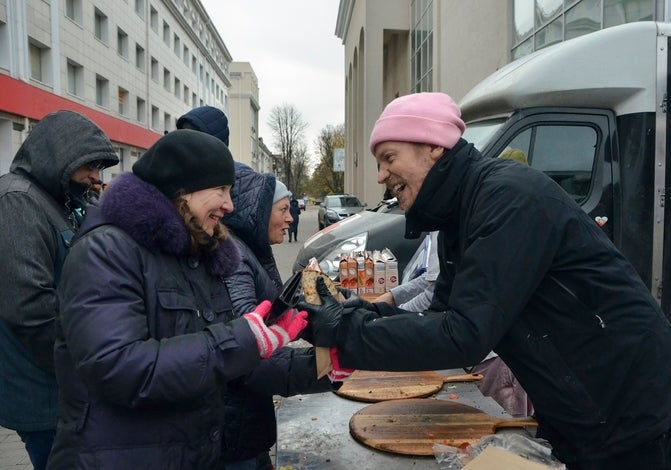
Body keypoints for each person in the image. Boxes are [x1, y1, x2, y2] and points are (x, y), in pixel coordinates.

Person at [298, 92, 671, 469]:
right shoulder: (460, 216)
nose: (380, 175)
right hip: (579, 406)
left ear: (434, 148)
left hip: (629, 406)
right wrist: (368, 312)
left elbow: (464, 334)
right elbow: (440, 315)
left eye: (389, 158)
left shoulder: (507, 198)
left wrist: (348, 331)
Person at [46, 130, 308, 469]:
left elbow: (226, 359)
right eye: (221, 191)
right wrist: (241, 338)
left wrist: (319, 367)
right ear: (183, 191)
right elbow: (118, 367)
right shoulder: (106, 251)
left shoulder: (194, 252)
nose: (230, 205)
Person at [0, 110, 119, 470]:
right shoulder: (17, 201)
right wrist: (86, 363)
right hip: (47, 392)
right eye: (90, 166)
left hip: (67, 383)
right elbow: (30, 307)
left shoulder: (58, 198)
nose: (96, 178)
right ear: (62, 156)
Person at [221, 167, 334, 469]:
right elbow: (250, 353)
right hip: (233, 433)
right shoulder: (236, 257)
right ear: (258, 211)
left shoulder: (251, 249)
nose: (291, 218)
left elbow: (276, 319)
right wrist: (324, 367)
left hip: (244, 425)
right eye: (283, 209)